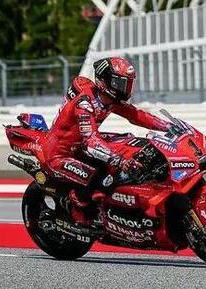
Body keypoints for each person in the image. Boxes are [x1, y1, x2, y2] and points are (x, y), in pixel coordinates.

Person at [42, 57, 168, 213]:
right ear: (105, 81)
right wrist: (120, 161)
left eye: (128, 83)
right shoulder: (85, 103)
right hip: (60, 155)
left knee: (130, 141)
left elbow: (137, 115)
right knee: (100, 179)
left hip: (79, 147)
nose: (126, 88)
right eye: (121, 83)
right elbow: (90, 141)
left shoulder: (110, 100)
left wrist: (168, 126)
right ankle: (78, 209)